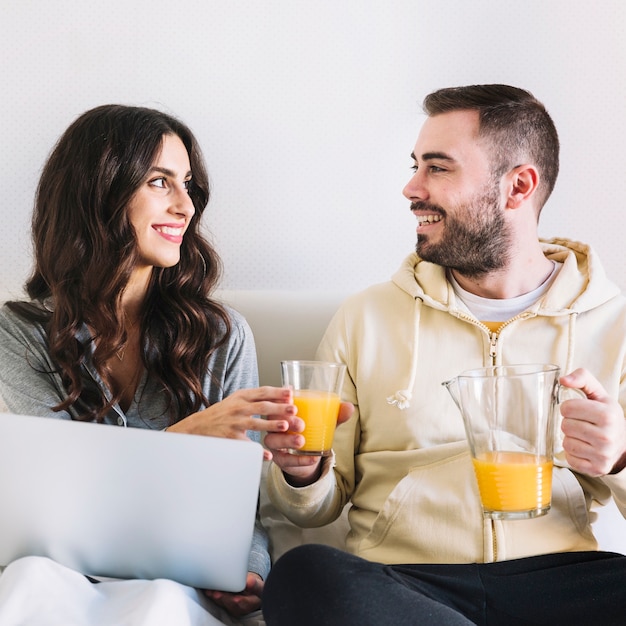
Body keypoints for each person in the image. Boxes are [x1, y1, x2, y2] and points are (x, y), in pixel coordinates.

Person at [261, 84, 626, 625]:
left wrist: (620, 459)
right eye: (416, 166)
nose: (411, 188)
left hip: (560, 581)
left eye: (438, 168)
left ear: (517, 186)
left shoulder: (615, 325)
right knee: (304, 575)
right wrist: (302, 473)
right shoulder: (367, 318)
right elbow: (315, 509)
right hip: (408, 584)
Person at [0, 104, 294, 625]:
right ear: (101, 191)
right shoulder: (19, 333)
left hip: (174, 582)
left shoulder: (222, 337)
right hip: (59, 574)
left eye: (189, 185)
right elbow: (54, 507)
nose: (186, 206)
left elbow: (243, 507)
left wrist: (248, 574)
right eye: (161, 182)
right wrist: (186, 437)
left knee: (159, 602)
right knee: (29, 584)